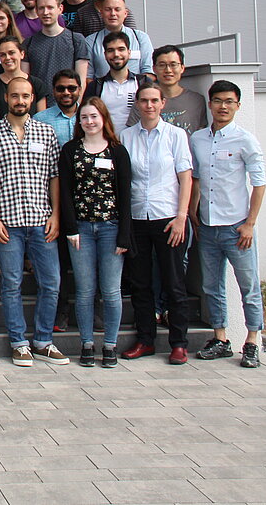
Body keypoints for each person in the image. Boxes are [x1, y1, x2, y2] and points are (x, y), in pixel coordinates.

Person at [0, 76, 67, 367]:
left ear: (32, 99)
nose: (20, 101)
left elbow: (54, 176)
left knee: (51, 283)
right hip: (8, 222)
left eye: (25, 96)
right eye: (15, 96)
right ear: (6, 97)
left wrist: (55, 214)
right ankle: (19, 343)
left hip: (42, 221)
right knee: (12, 284)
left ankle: (43, 341)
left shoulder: (46, 132)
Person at [190, 80, 266, 368]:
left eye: (229, 101)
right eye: (218, 101)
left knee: (249, 286)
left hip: (237, 228)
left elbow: (259, 183)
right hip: (208, 227)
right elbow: (196, 178)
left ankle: (252, 341)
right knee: (211, 286)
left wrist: (250, 223)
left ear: (238, 105)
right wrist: (193, 212)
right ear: (210, 104)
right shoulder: (198, 138)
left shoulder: (245, 140)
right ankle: (220, 338)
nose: (223, 106)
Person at [120, 82, 194, 364]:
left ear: (163, 103)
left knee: (174, 283)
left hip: (168, 219)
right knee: (140, 284)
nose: (149, 105)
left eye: (154, 101)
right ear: (137, 104)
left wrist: (181, 217)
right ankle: (145, 340)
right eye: (144, 101)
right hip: (137, 218)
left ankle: (179, 343)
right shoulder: (126, 136)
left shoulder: (176, 136)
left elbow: (185, 178)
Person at [58, 96, 134, 368]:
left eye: (94, 116)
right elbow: (65, 192)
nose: (89, 122)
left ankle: (110, 345)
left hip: (111, 228)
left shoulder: (117, 152)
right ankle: (87, 344)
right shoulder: (70, 150)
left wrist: (125, 235)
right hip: (81, 230)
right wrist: (70, 228)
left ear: (104, 119)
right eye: (84, 117)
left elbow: (125, 195)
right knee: (85, 290)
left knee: (111, 291)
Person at [36, 69, 85, 333]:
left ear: (79, 90)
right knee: (60, 260)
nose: (66, 93)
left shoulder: (89, 117)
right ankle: (61, 310)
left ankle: (90, 309)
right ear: (53, 91)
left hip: (87, 199)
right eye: (61, 88)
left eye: (71, 88)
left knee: (88, 259)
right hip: (52, 197)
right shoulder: (41, 119)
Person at [23, 0, 90, 104]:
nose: (45, 12)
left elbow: (81, 82)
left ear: (60, 9)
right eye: (41, 8)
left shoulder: (76, 40)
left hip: (69, 107)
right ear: (37, 11)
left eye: (50, 7)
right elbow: (25, 83)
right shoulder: (28, 44)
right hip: (39, 108)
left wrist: (75, 109)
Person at [83, 32, 140, 133]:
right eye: (111, 50)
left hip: (137, 141)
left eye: (121, 49)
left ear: (129, 52)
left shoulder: (142, 83)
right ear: (105, 55)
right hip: (105, 141)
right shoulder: (95, 87)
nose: (116, 54)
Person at [87, 0, 153, 78]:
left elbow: (149, 72)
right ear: (101, 13)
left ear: (125, 13)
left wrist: (131, 84)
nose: (113, 13)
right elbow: (88, 76)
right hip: (102, 86)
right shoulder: (91, 41)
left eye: (117, 9)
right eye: (108, 10)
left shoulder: (141, 38)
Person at [0, 36, 47, 118]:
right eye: (3, 55)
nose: (7, 58)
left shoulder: (37, 84)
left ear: (22, 54)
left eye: (11, 53)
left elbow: (42, 118)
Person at [152, 45, 209, 134]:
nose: (168, 70)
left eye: (173, 65)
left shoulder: (197, 100)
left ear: (182, 68)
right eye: (162, 65)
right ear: (154, 69)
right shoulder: (145, 100)